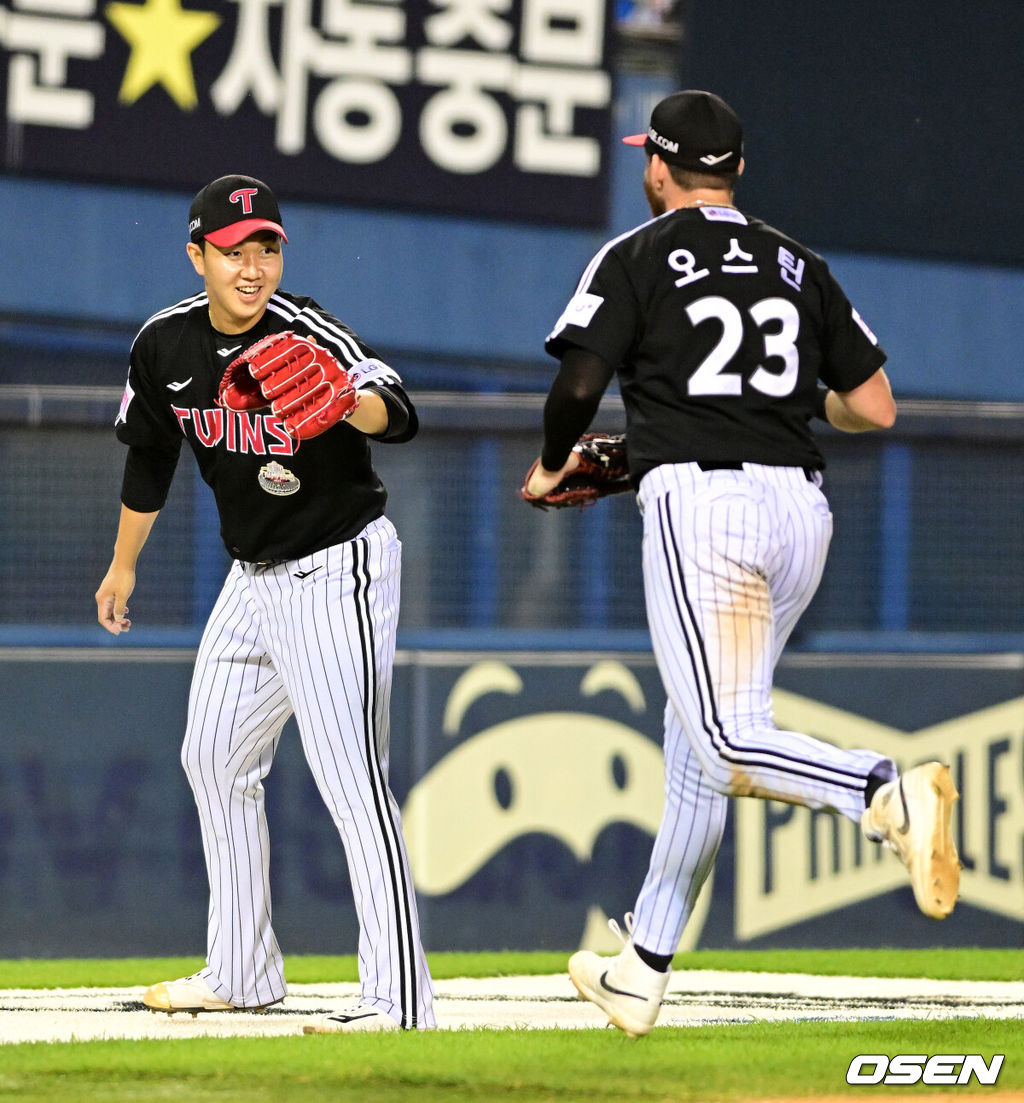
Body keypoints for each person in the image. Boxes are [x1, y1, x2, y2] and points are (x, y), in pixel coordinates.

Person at [524, 91, 960, 1038]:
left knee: (723, 740)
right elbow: (873, 406)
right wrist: (788, 404)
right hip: (799, 511)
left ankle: (883, 790)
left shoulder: (636, 255)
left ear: (657, 168)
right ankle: (643, 966)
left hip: (705, 507)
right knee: (700, 746)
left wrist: (560, 457)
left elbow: (582, 381)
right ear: (738, 169)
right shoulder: (798, 263)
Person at [95, 174, 435, 1033]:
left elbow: (400, 411)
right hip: (251, 579)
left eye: (267, 249)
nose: (252, 268)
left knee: (353, 780)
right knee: (213, 756)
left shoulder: (307, 329)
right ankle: (242, 970)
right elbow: (149, 460)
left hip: (337, 568)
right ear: (196, 254)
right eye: (234, 251)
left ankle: (399, 1002)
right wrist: (122, 568)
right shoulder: (163, 345)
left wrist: (343, 401)